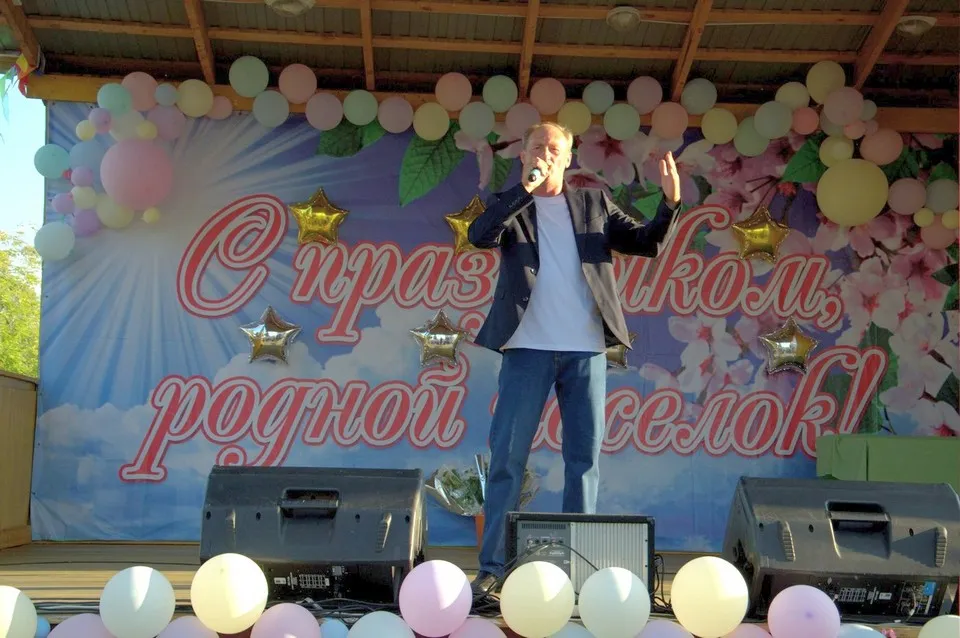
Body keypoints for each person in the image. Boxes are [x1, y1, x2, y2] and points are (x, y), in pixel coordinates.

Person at [466, 121, 682, 591]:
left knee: (583, 461)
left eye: (554, 148)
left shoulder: (593, 204)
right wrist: (523, 192)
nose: (545, 154)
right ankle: (493, 568)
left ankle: (577, 569)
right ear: (524, 155)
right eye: (537, 146)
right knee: (507, 458)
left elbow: (646, 243)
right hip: (527, 349)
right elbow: (479, 235)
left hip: (585, 351)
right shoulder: (512, 205)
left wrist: (669, 203)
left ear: (567, 158)